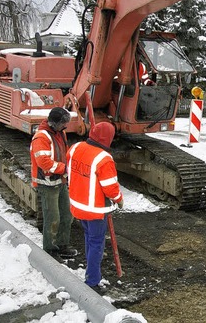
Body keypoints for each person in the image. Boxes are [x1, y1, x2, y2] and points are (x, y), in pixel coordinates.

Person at [67, 122, 123, 292]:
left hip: (78, 205)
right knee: (96, 243)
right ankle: (92, 281)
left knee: (89, 238)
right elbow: (110, 187)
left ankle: (91, 268)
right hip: (95, 210)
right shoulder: (104, 158)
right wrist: (119, 199)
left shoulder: (75, 147)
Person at [30, 107, 77, 258]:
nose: (66, 126)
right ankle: (50, 248)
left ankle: (62, 244)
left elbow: (65, 151)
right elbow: (44, 162)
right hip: (47, 184)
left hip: (60, 181)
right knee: (52, 217)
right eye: (64, 123)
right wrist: (65, 169)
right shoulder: (41, 137)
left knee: (67, 214)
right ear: (54, 123)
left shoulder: (59, 132)